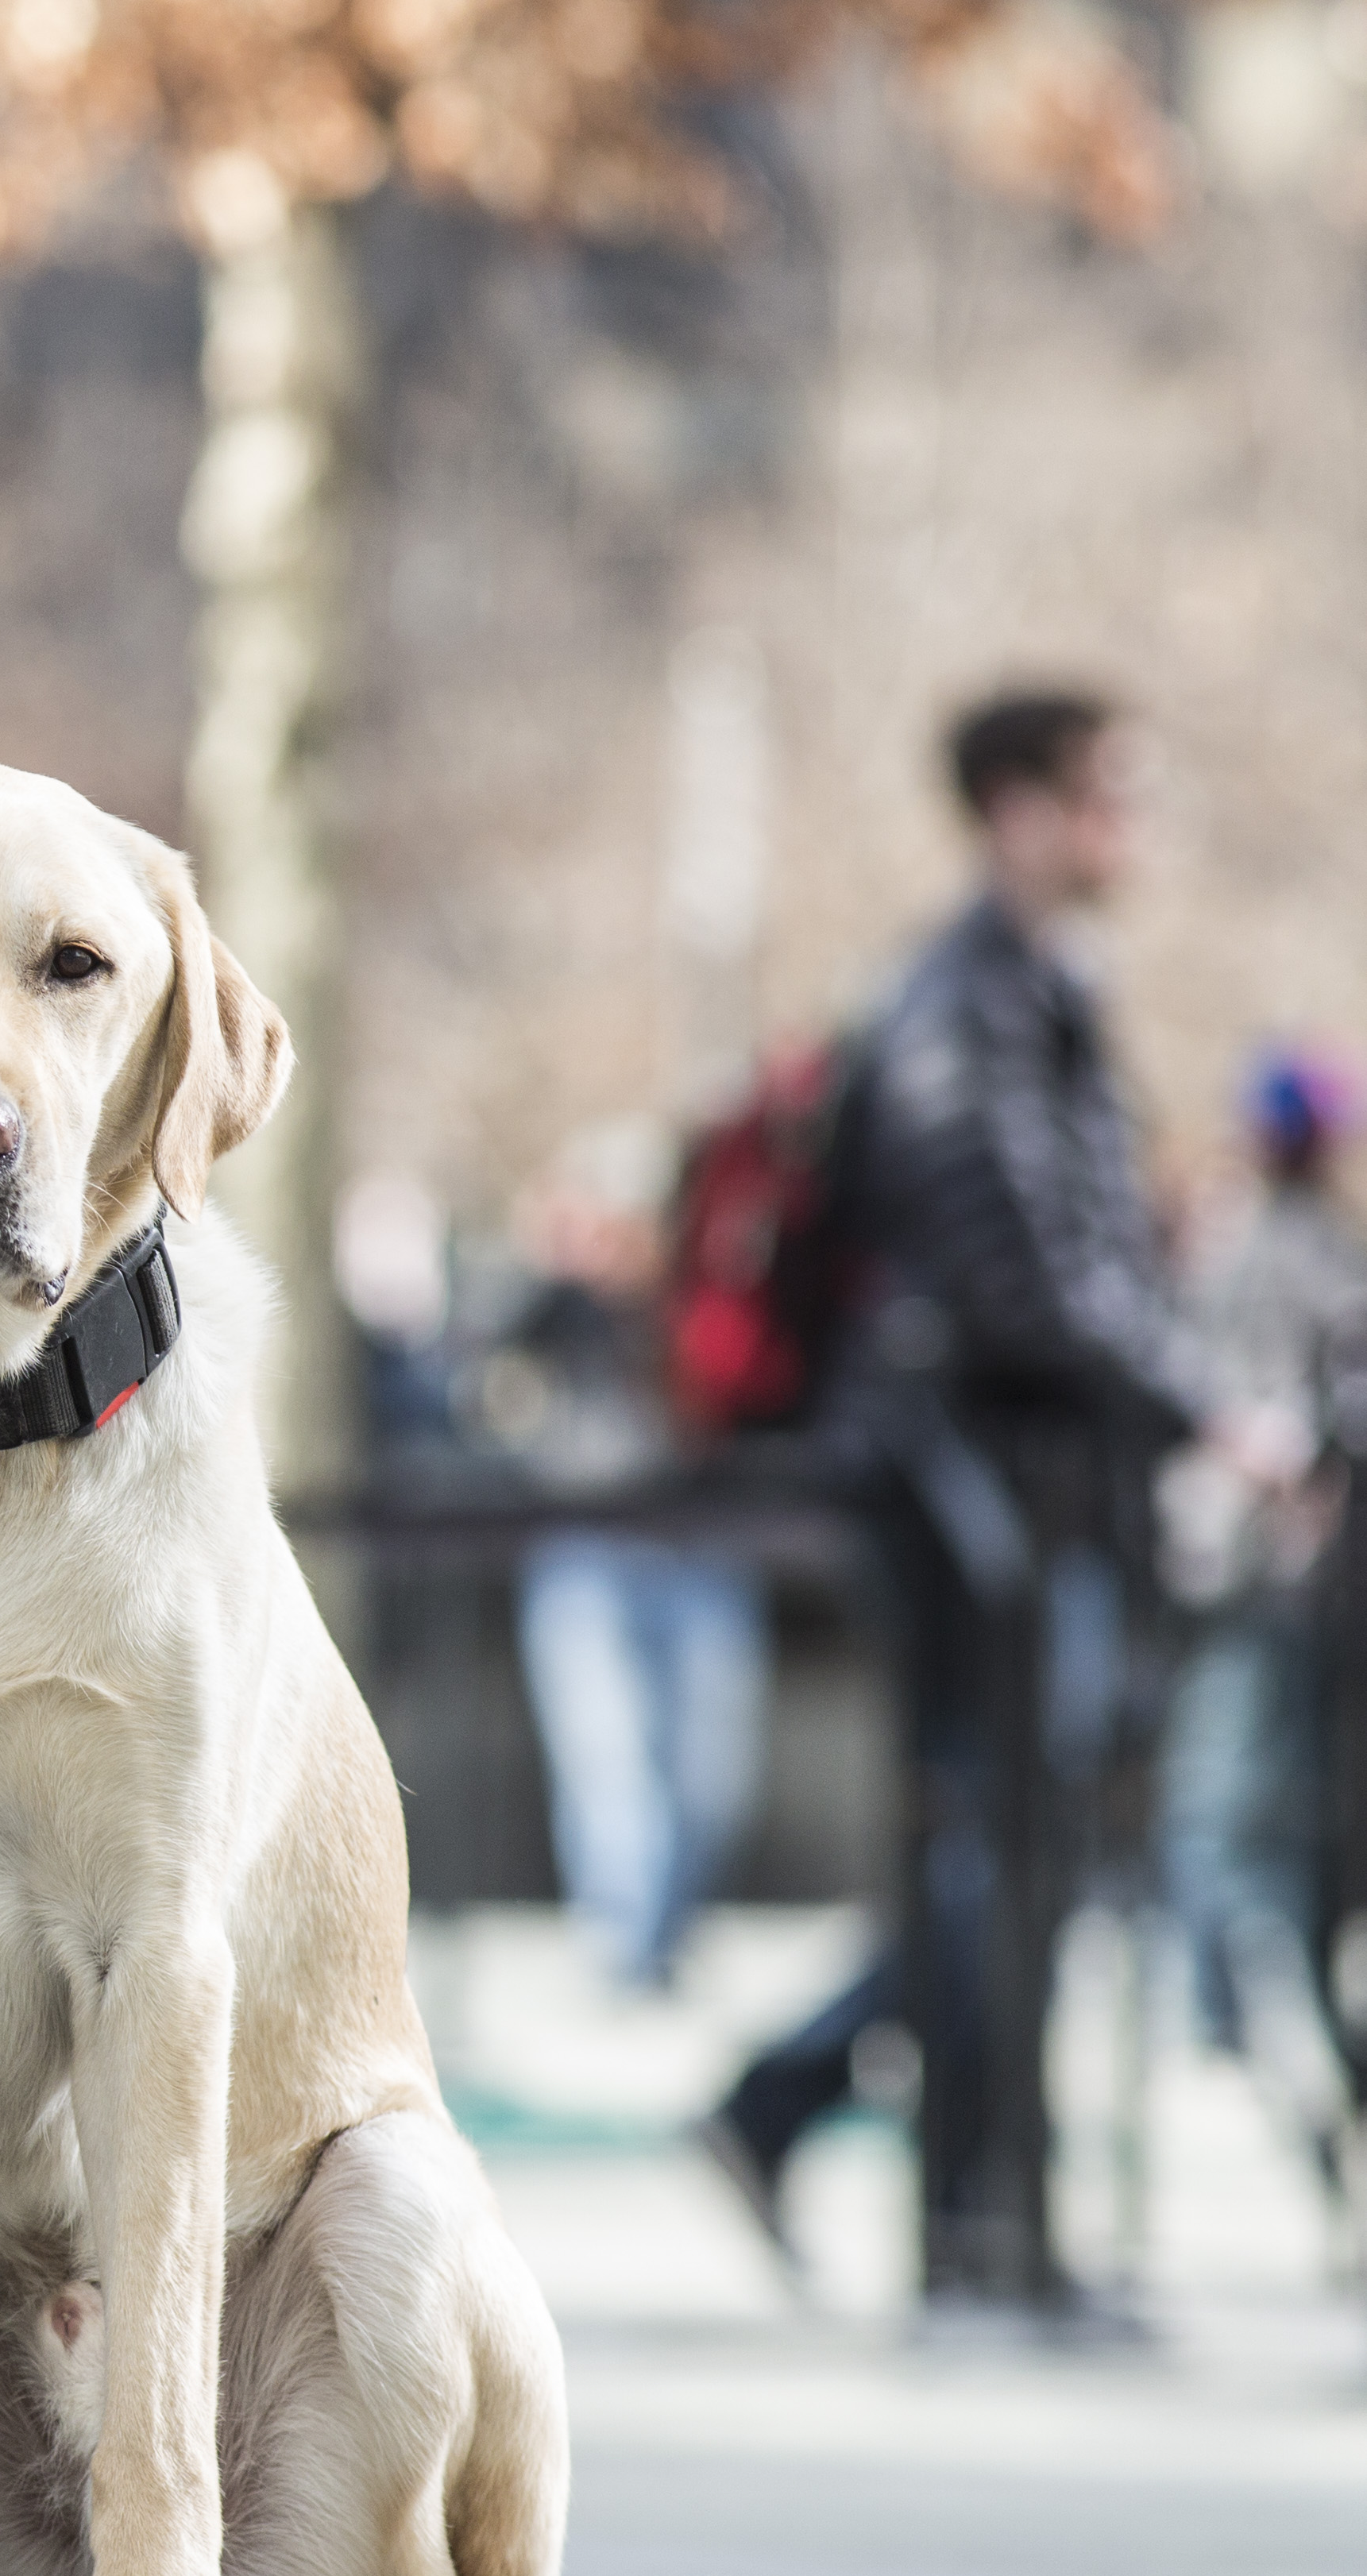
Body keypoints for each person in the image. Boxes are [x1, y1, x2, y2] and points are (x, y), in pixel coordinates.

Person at [697, 691, 1214, 2312]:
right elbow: (1017, 1273)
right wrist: (1197, 1401)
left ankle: (879, 2158)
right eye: (1103, 796)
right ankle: (978, 2227)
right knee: (992, 1848)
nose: (1129, 827)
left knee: (1015, 1846)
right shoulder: (956, 1005)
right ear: (1019, 808)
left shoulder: (1033, 996)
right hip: (959, 1492)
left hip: (1022, 1488)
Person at [1152, 1047, 1367, 2188]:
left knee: (1229, 1825)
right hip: (1264, 1580)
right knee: (1234, 1829)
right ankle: (1253, 2041)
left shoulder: (1246, 1253)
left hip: (1239, 1582)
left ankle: (1251, 2037)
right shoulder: (1299, 1259)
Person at [491, 1120, 770, 1997]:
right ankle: (627, 1950)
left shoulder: (701, 1299)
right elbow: (483, 1360)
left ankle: (666, 1930)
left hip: (697, 1543)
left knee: (710, 1769)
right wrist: (553, 1260)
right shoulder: (558, 1304)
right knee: (607, 1761)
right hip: (587, 1548)